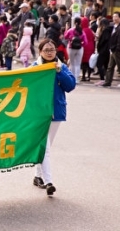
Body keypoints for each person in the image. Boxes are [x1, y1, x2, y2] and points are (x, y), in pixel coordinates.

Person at [31, 38, 76, 197]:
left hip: (56, 112)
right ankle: (49, 182)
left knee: (46, 147)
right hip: (39, 114)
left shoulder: (61, 67)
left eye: (52, 50)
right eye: (46, 50)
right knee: (46, 148)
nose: (50, 52)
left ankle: (38, 176)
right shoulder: (34, 68)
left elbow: (70, 86)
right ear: (40, 52)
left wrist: (60, 72)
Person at [64, 17, 87, 82]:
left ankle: (72, 78)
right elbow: (86, 42)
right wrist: (81, 45)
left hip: (71, 48)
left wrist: (66, 29)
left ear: (74, 22)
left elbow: (65, 37)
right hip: (80, 49)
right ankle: (76, 78)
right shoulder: (82, 31)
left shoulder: (71, 30)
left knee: (72, 63)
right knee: (78, 64)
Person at [94, 18, 112, 85]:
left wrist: (99, 43)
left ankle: (102, 79)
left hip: (103, 50)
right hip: (108, 50)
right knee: (106, 66)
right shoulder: (110, 30)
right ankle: (107, 80)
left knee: (99, 64)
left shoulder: (105, 31)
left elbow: (103, 41)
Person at [80, 17, 96, 81]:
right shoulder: (90, 30)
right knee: (90, 62)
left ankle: (83, 76)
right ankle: (88, 76)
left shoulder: (82, 30)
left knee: (84, 62)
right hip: (91, 46)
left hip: (84, 46)